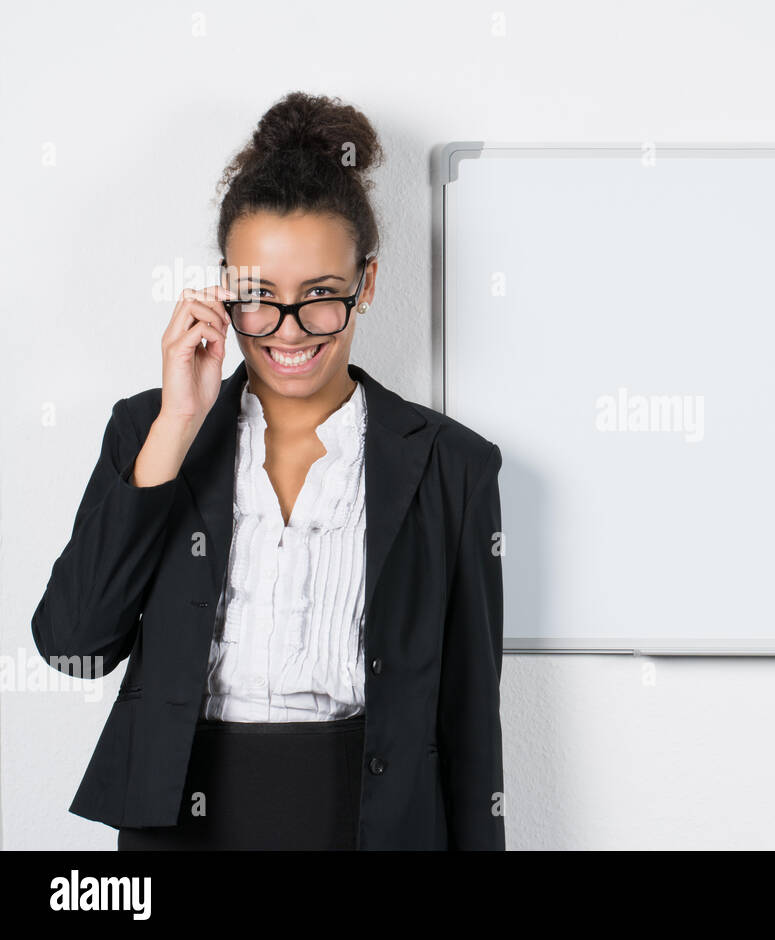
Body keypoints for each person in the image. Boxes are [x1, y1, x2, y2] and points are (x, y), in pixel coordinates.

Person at [31, 91, 506, 850]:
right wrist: (180, 422)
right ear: (225, 290)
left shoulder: (454, 466)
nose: (289, 331)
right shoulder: (147, 430)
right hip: (183, 828)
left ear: (368, 284)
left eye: (321, 297)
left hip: (369, 826)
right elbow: (73, 643)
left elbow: (471, 721)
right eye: (259, 297)